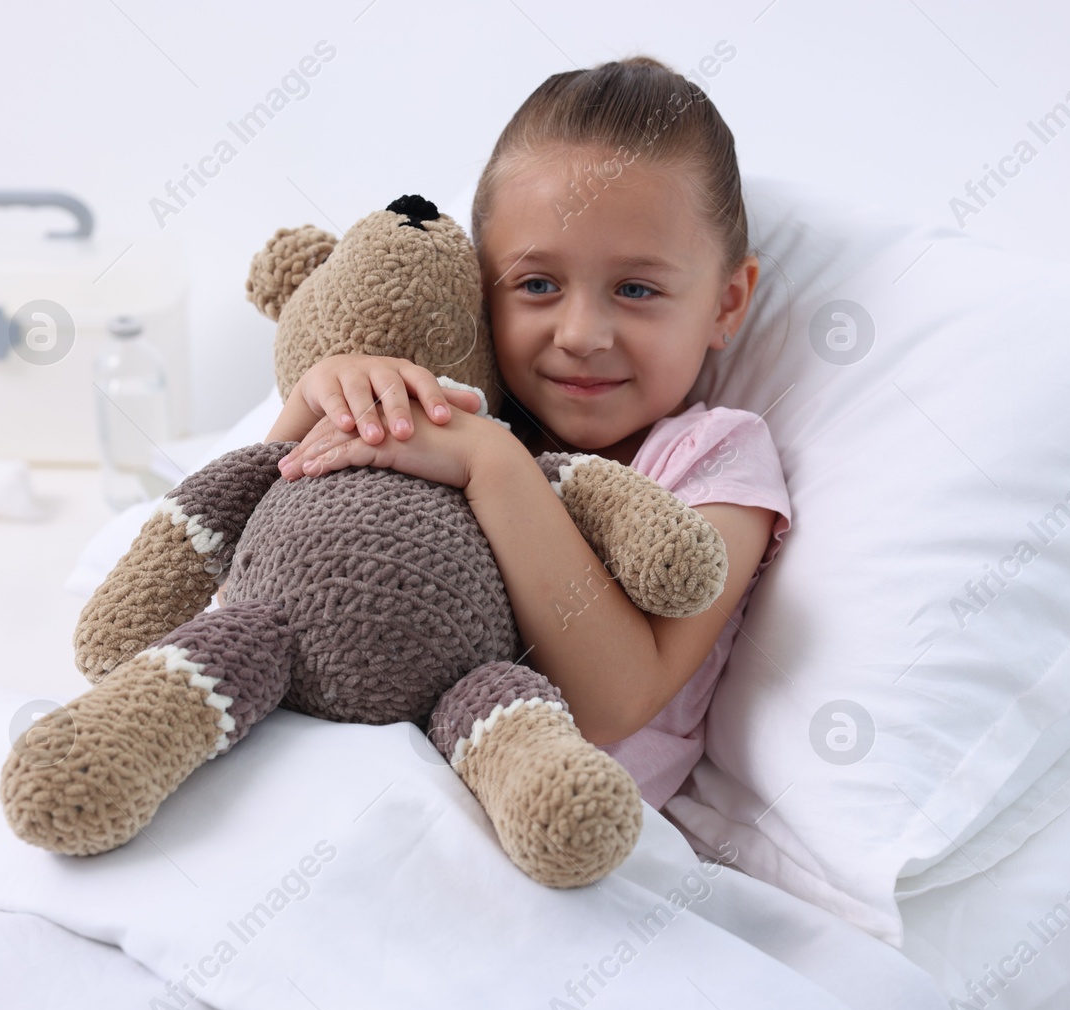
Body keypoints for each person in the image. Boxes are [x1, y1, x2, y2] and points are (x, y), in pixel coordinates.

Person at [263, 55, 791, 812]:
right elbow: (249, 584)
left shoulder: (715, 459)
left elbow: (617, 698)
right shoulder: (453, 404)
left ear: (726, 303)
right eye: (537, 284)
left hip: (538, 828)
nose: (580, 334)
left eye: (636, 289)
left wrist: (494, 464)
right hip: (345, 777)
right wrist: (318, 402)